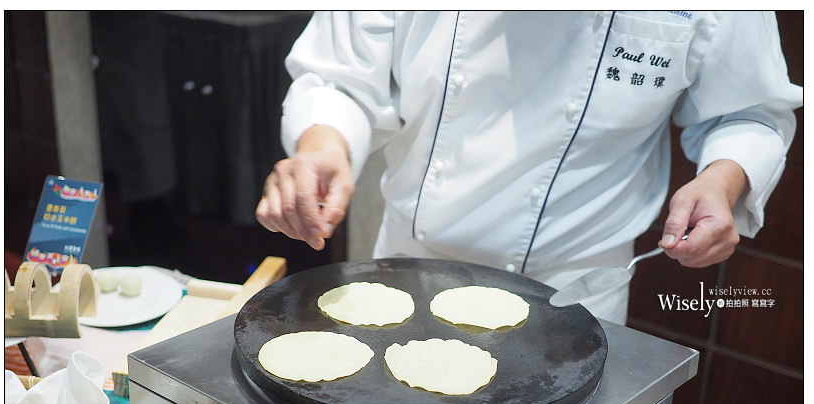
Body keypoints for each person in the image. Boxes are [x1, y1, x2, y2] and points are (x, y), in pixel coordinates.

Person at [255, 11, 802, 323]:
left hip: (573, 292)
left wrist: (721, 178)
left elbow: (750, 111)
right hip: (405, 268)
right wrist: (322, 149)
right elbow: (340, 76)